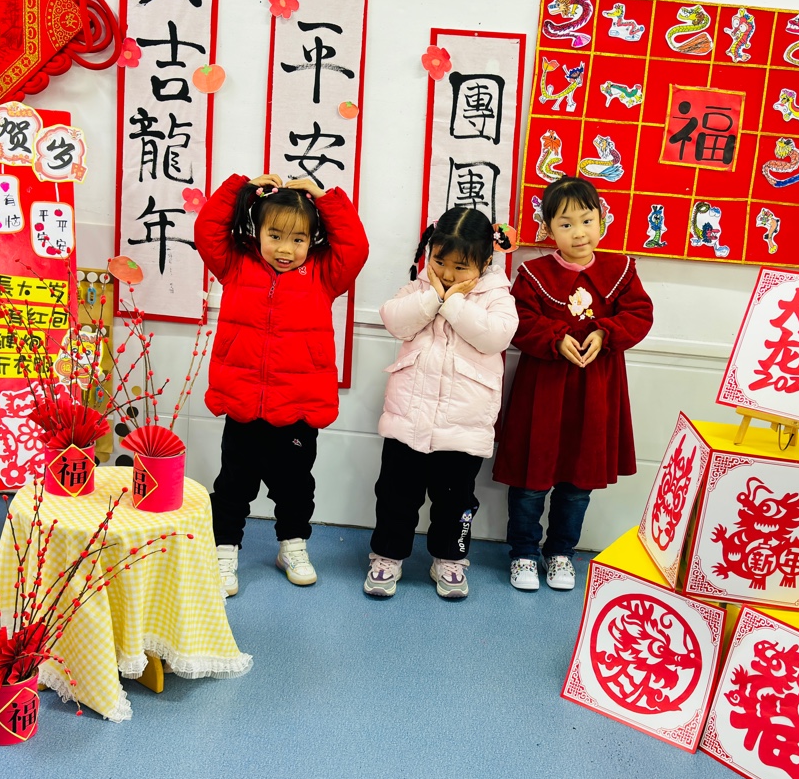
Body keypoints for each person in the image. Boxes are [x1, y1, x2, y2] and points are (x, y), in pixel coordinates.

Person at [194, 172, 369, 596]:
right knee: (233, 485)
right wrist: (240, 188)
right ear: (257, 232)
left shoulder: (324, 273)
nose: (285, 249)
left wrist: (325, 199)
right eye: (275, 236)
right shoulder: (236, 263)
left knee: (295, 486)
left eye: (298, 239)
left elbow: (355, 248)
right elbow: (207, 231)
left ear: (312, 240)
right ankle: (224, 549)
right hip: (243, 403)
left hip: (298, 406)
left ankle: (292, 545)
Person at [492, 175, 653, 592]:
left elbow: (639, 314)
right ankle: (523, 553)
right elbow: (518, 321)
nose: (578, 232)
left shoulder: (621, 270)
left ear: (602, 221)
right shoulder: (533, 274)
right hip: (543, 390)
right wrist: (554, 338)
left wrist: (605, 333)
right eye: (565, 224)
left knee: (579, 483)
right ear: (548, 229)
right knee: (531, 481)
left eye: (586, 220)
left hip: (596, 391)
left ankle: (561, 552)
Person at [365, 208, 518, 600]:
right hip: (407, 421)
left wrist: (452, 303)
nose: (447, 274)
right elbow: (393, 320)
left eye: (460, 266)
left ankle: (450, 559)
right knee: (395, 495)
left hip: (463, 427)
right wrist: (433, 296)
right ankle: (387, 556)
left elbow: (496, 336)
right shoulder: (420, 287)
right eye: (440, 262)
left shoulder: (497, 296)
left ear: (485, 262)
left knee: (456, 502)